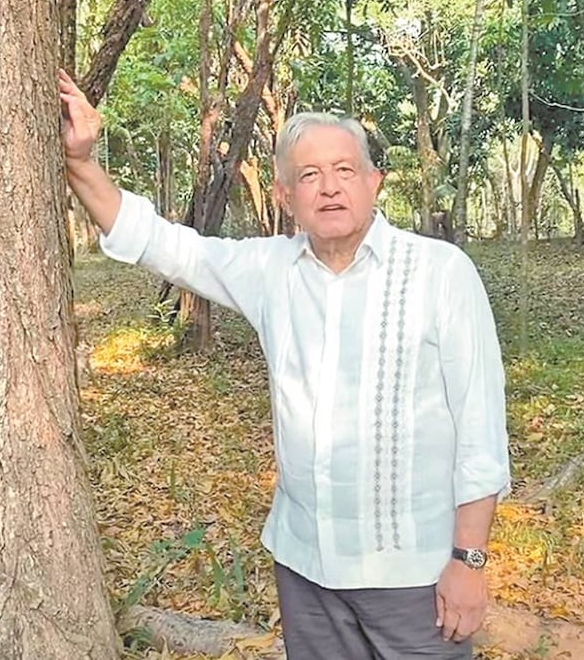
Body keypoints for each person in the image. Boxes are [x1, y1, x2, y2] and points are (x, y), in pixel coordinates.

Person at [59, 68, 510, 660]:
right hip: (305, 567)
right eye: (310, 175)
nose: (330, 188)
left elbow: (481, 434)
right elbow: (163, 245)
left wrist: (467, 562)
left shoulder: (440, 273)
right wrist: (82, 163)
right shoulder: (271, 270)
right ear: (284, 195)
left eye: (345, 170)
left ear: (374, 182)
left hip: (415, 576)